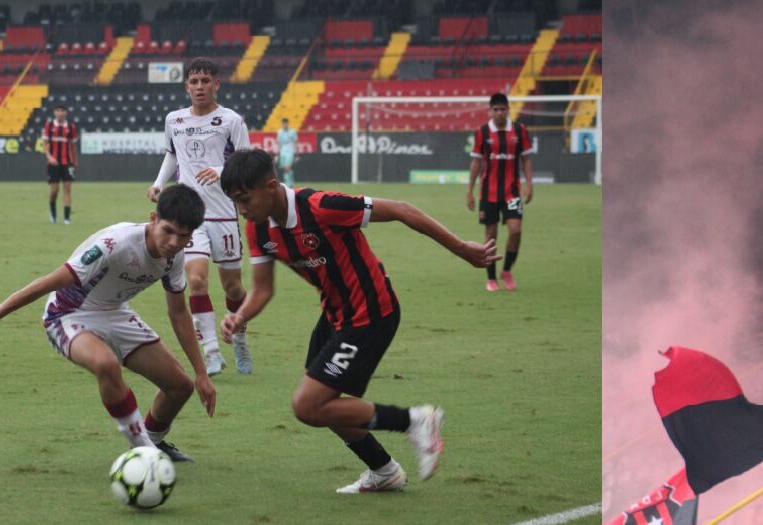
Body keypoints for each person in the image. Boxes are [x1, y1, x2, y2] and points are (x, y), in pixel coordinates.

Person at [217, 148, 496, 494]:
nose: (241, 209)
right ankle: (384, 471)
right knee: (325, 404)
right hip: (334, 314)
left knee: (308, 405)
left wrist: (462, 249)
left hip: (371, 312)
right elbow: (262, 290)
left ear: (271, 186)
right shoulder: (258, 230)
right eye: (234, 201)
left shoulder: (320, 206)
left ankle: (416, 421)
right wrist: (239, 316)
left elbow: (402, 209)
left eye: (245, 199)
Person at [0, 185, 214, 461]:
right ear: (153, 219)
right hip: (67, 313)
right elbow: (50, 281)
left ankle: (153, 442)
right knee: (106, 364)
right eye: (168, 231)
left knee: (180, 386)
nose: (174, 242)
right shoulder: (117, 243)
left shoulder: (175, 256)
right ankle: (143, 450)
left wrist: (201, 373)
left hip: (114, 312)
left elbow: (178, 312)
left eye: (184, 236)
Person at [148, 57, 255, 377]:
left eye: (205, 81)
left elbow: (247, 161)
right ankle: (211, 352)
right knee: (195, 281)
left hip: (224, 215)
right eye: (194, 82)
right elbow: (172, 154)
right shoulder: (174, 119)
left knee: (233, 288)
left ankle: (239, 337)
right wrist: (159, 183)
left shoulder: (231, 120)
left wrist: (221, 170)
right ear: (186, 86)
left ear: (216, 84)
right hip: (189, 216)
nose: (199, 87)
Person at [466, 92, 534, 293]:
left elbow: (526, 159)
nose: (499, 113)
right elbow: (476, 162)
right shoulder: (482, 131)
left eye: (502, 109)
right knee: (491, 234)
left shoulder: (520, 130)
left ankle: (507, 270)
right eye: (495, 109)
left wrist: (529, 184)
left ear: (508, 110)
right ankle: (491, 277)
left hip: (512, 192)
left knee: (515, 230)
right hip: (489, 193)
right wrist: (470, 190)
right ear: (490, 111)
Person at [43, 103, 79, 225]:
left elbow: (73, 146)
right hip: (53, 163)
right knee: (55, 190)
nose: (60, 113)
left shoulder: (70, 127)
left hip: (67, 162)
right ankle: (53, 214)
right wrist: (49, 157)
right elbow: (45, 145)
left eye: (62, 111)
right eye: (58, 111)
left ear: (66, 113)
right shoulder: (49, 126)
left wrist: (75, 160)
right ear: (55, 113)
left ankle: (67, 219)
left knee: (67, 188)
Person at [276, 118, 298, 187]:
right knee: (285, 169)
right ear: (282, 124)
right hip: (282, 152)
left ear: (288, 124)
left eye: (286, 123)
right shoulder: (279, 132)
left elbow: (295, 143)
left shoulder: (292, 132)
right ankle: (290, 182)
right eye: (283, 123)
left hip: (290, 151)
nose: (285, 125)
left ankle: (288, 184)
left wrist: (297, 154)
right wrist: (277, 154)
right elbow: (279, 144)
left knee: (287, 167)